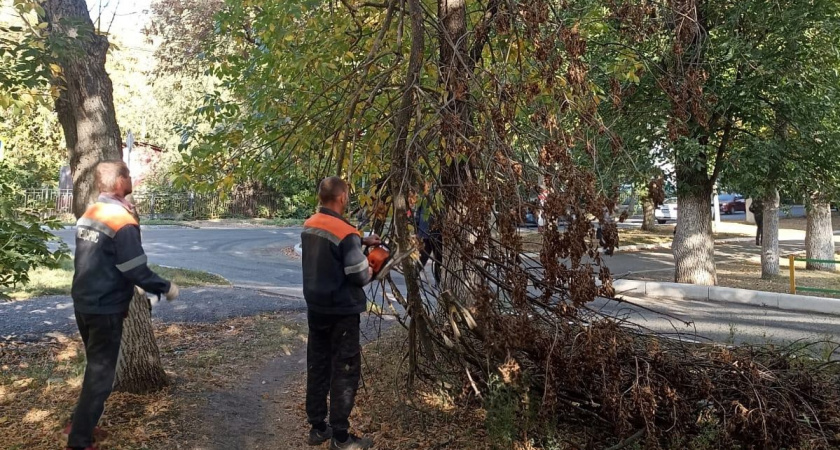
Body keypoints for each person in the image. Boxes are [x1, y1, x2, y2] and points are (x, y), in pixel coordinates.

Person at [66, 161, 179, 450]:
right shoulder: (121, 220)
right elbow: (135, 269)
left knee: (95, 367)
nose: (133, 179)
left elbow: (103, 258)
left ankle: (79, 423)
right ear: (119, 182)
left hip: (84, 300)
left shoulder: (92, 212)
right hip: (105, 307)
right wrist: (165, 287)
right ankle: (78, 440)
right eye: (129, 174)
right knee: (101, 375)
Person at [301, 177, 380, 449]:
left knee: (318, 365)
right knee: (344, 370)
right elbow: (359, 275)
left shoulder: (311, 224)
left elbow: (332, 253)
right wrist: (373, 267)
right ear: (342, 197)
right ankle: (341, 437)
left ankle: (318, 427)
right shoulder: (347, 233)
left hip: (316, 309)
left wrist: (361, 241)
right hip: (342, 312)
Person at [415, 199, 443, 285]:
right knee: (436, 259)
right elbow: (418, 214)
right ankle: (438, 281)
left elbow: (417, 215)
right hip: (433, 233)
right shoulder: (437, 197)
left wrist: (417, 229)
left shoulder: (424, 196)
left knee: (431, 258)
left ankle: (438, 280)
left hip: (429, 232)